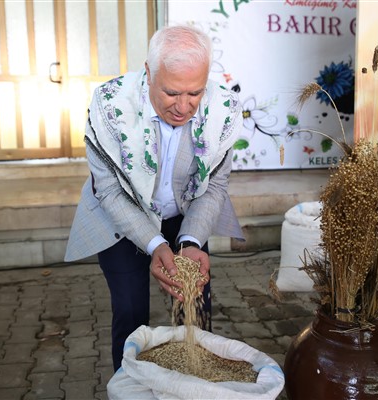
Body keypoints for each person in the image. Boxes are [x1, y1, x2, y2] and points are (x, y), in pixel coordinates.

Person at [64, 25, 244, 372]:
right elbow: (110, 191)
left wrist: (190, 241)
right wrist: (155, 244)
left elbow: (215, 187)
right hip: (122, 215)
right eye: (172, 93)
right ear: (148, 73)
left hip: (184, 213)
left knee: (195, 310)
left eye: (195, 93)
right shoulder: (110, 107)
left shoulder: (222, 110)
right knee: (131, 315)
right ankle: (130, 386)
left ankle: (190, 387)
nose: (183, 107)